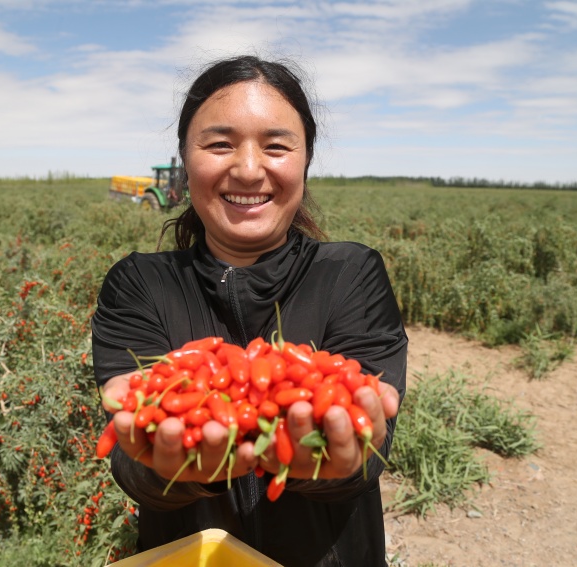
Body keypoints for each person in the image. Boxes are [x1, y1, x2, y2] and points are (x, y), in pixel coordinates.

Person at [91, 55, 408, 567]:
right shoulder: (138, 284)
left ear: (305, 160)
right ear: (184, 158)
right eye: (219, 143)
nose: (247, 168)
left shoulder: (351, 273)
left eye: (277, 145)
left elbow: (367, 452)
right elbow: (133, 461)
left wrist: (332, 461)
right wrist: (160, 467)